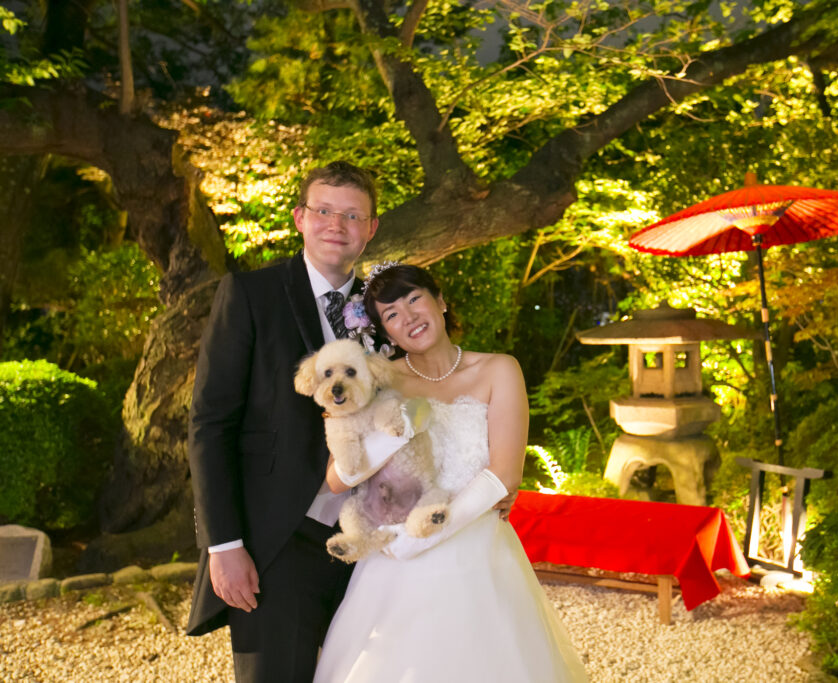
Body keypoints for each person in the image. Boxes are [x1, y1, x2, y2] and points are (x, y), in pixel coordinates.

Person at [312, 263, 589, 683]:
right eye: (391, 314)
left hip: (475, 548)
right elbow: (337, 478)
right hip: (392, 554)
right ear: (386, 333)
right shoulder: (379, 381)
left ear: (440, 301)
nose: (409, 317)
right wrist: (393, 437)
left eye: (414, 299)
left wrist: (420, 540)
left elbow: (505, 474)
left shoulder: (499, 370)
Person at [185, 161, 390, 682]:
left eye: (352, 215)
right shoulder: (249, 294)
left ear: (371, 228)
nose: (336, 225)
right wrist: (224, 545)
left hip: (374, 541)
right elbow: (211, 423)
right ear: (300, 218)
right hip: (276, 540)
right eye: (324, 211)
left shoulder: (385, 309)